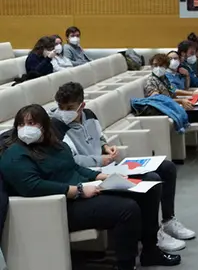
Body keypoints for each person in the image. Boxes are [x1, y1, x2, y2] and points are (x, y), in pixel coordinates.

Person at [0, 104, 181, 269]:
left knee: (149, 185)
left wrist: (104, 176)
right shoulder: (14, 155)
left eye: (32, 123)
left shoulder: (55, 145)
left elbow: (75, 168)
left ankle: (150, 250)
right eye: (21, 124)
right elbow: (32, 186)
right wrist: (76, 191)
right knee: (127, 209)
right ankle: (126, 265)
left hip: (84, 189)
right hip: (61, 205)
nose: (26, 128)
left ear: (44, 126)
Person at [50, 82, 196, 253]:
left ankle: (168, 220)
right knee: (151, 180)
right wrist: (99, 160)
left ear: (82, 106)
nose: (64, 111)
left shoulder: (89, 115)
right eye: (61, 107)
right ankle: (153, 236)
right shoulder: (55, 126)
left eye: (69, 107)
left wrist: (106, 147)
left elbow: (99, 137)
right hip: (91, 175)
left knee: (167, 168)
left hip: (108, 166)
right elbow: (71, 160)